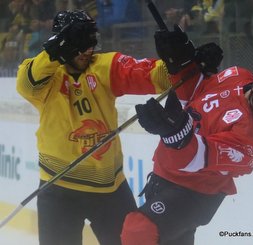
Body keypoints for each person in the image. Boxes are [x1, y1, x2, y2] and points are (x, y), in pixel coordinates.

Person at [16, 10, 199, 245]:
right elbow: (25, 84)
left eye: (91, 42)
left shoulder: (104, 66)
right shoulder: (45, 75)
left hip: (110, 188)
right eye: (80, 44)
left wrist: (179, 63)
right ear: (63, 43)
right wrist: (54, 51)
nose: (88, 50)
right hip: (57, 188)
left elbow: (155, 76)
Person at [120, 25, 253, 244]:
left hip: (195, 194)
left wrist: (174, 133)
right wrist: (184, 65)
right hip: (165, 174)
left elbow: (196, 158)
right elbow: (195, 92)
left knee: (139, 230)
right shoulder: (237, 75)